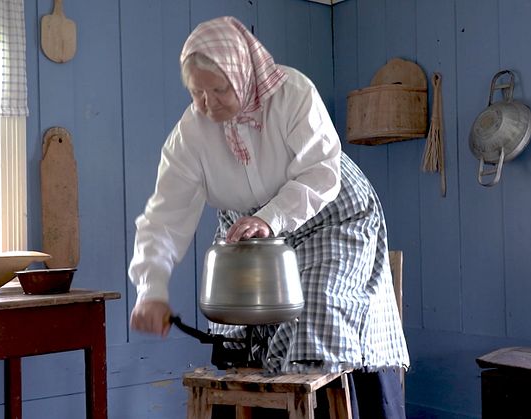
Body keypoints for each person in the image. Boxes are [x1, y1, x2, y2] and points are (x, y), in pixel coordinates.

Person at [128, 16, 409, 418]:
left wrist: (272, 217)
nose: (208, 104)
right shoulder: (190, 135)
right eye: (197, 93)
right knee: (238, 325)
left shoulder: (292, 93)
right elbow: (164, 217)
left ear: (242, 73)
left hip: (327, 211)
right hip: (246, 225)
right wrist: (151, 289)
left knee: (314, 310)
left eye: (219, 88)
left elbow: (321, 173)